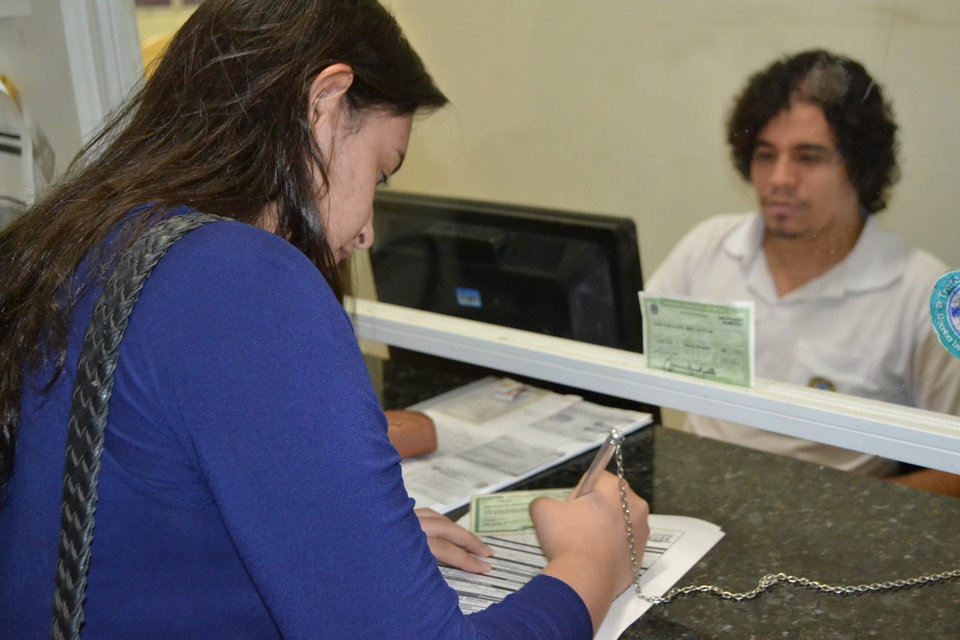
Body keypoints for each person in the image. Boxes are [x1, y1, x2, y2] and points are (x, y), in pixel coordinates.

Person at [0, 2, 649, 638]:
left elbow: (135, 521)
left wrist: (339, 539)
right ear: (327, 102)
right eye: (382, 172)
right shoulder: (246, 281)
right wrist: (591, 563)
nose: (367, 232)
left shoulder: (80, 240)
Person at [646, 49, 960, 496]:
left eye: (808, 158)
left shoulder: (927, 292)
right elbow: (629, 372)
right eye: (765, 155)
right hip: (699, 505)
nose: (779, 179)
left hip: (838, 528)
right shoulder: (708, 247)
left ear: (861, 167)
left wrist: (838, 517)